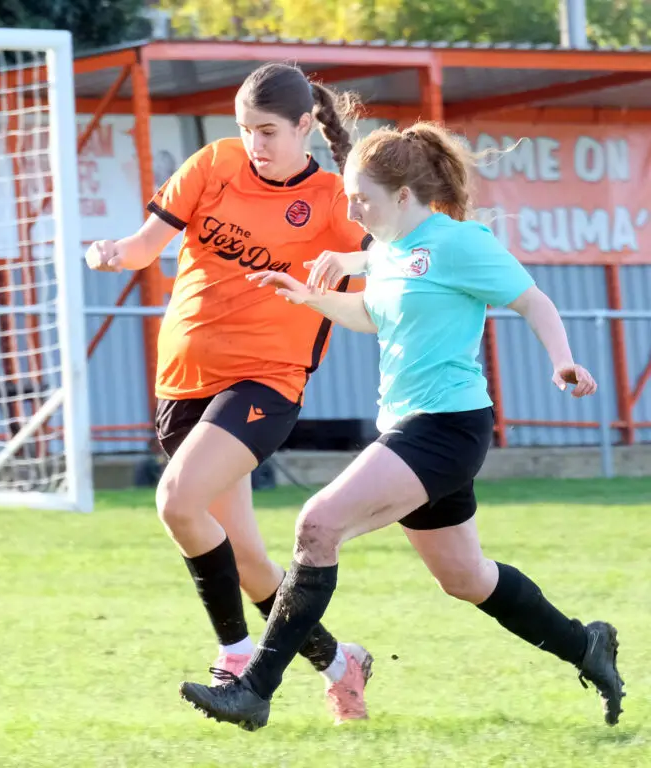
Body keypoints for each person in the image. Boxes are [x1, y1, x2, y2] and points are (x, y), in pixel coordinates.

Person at [178, 122, 624, 730]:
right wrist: (308, 299)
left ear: (407, 195)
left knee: (317, 524)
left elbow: (532, 300)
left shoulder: (460, 243)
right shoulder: (386, 248)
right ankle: (586, 646)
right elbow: (370, 313)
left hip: (446, 427)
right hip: (412, 426)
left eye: (362, 197)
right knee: (465, 578)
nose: (351, 207)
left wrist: (563, 359)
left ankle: (253, 690)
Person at [85, 63, 378, 723]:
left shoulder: (333, 199)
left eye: (268, 131)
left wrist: (356, 269)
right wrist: (110, 253)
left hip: (266, 381)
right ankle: (340, 663)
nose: (254, 143)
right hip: (184, 378)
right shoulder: (214, 163)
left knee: (178, 502)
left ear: (305, 125)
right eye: (246, 129)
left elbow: (386, 268)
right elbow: (143, 247)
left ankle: (236, 654)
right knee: (246, 557)